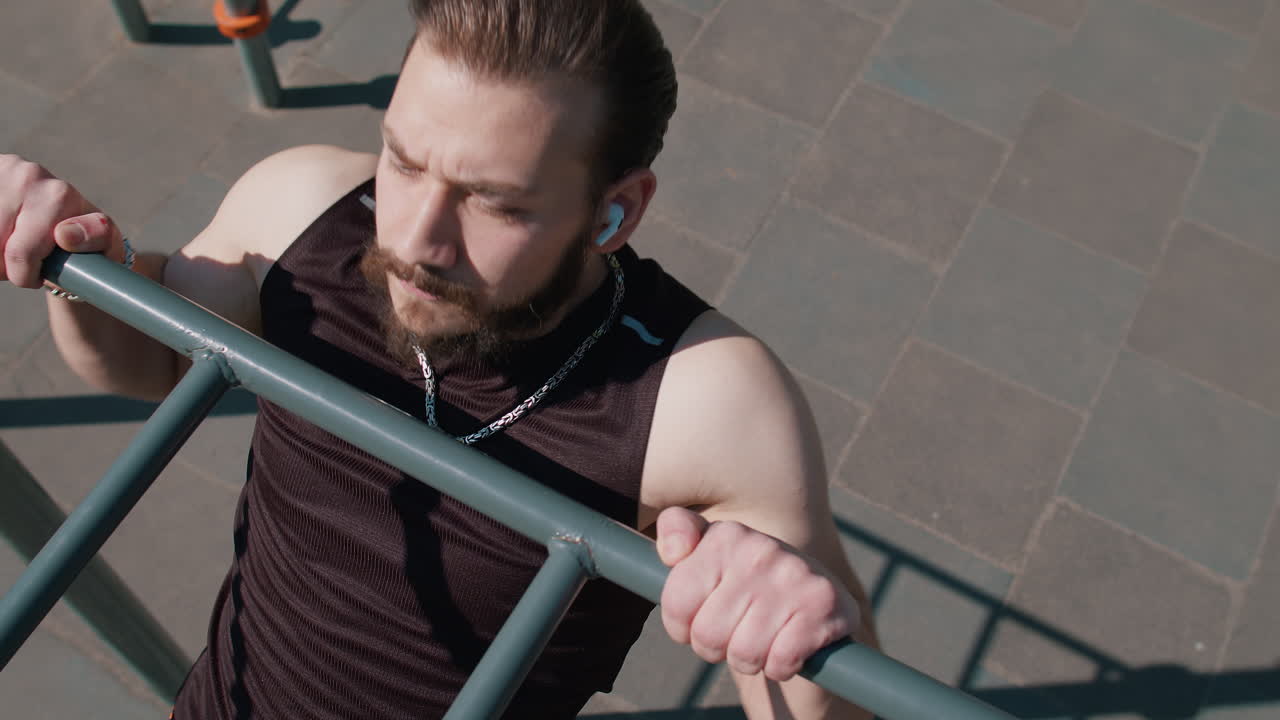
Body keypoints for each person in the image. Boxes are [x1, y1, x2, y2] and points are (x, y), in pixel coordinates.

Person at [0, 1, 879, 717]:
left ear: (615, 212)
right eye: (404, 160)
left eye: (493, 203)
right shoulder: (300, 208)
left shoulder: (705, 399)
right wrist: (78, 265)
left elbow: (825, 708)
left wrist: (792, 619)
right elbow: (145, 368)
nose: (416, 240)